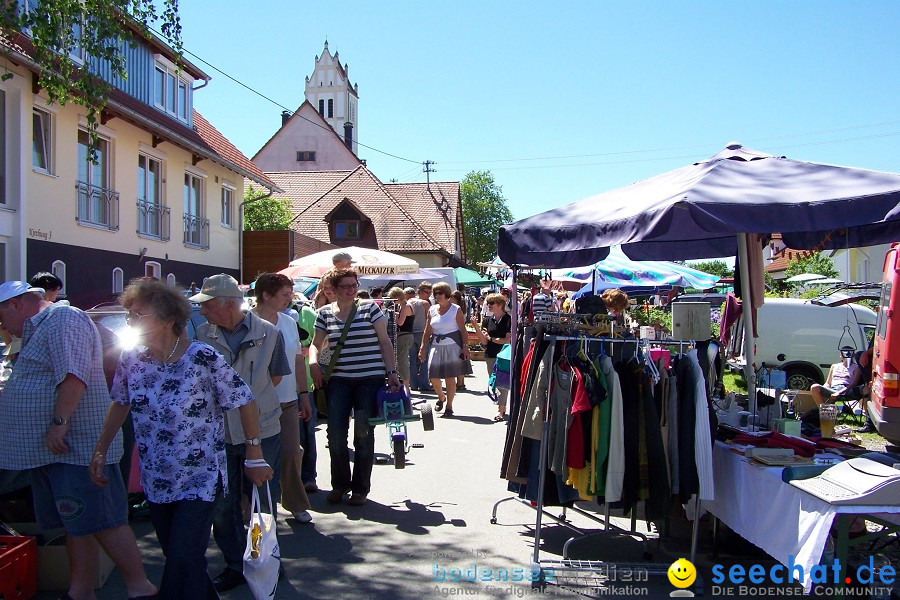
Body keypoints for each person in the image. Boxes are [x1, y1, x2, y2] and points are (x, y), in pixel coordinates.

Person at [89, 279, 272, 599]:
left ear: (168, 318)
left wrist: (254, 454)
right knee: (183, 560)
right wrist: (101, 451)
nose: (131, 321)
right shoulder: (132, 358)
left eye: (138, 314)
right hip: (157, 479)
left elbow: (244, 399)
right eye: (129, 315)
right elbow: (120, 402)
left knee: (181, 558)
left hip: (200, 479)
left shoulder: (202, 357)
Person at [0, 281, 158, 600]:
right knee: (77, 521)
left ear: (15, 304)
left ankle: (141, 588)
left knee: (104, 521)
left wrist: (60, 423)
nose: (1, 325)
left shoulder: (63, 319)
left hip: (77, 445)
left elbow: (74, 374)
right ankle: (80, 591)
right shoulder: (39, 327)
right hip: (55, 450)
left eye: (0, 316)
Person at [191, 274, 291, 593]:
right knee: (223, 504)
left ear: (228, 304)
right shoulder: (202, 334)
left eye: (207, 305)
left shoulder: (270, 331)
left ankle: (265, 559)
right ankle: (235, 564)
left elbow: (275, 375)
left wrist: (249, 402)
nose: (202, 311)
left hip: (263, 428)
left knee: (263, 500)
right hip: (218, 432)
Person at [310, 268, 401, 506]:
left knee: (363, 434)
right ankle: (340, 484)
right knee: (336, 435)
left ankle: (360, 488)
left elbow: (384, 341)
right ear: (333, 289)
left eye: (354, 285)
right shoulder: (324, 314)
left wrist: (391, 372)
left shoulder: (370, 308)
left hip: (369, 380)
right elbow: (315, 344)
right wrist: (312, 362)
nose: (351, 290)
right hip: (338, 380)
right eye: (345, 286)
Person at [252, 273, 314, 524]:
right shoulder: (248, 322)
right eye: (285, 295)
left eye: (290, 294)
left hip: (288, 400)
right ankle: (256, 509)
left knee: (291, 453)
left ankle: (295, 503)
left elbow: (299, 360)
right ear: (266, 295)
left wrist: (304, 395)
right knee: (259, 458)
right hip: (255, 404)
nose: (290, 299)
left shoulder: (288, 322)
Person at [418, 282, 471, 417]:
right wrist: (423, 347)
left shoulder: (456, 309)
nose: (437, 296)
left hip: (452, 345)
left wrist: (465, 346)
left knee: (450, 377)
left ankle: (449, 406)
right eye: (435, 294)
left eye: (440, 293)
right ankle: (441, 397)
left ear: (447, 294)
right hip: (436, 345)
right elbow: (427, 329)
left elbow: (463, 330)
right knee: (433, 376)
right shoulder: (432, 309)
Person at [472, 292, 512, 422]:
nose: (488, 305)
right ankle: (501, 405)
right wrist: (477, 328)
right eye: (487, 303)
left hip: (504, 356)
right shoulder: (487, 320)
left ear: (500, 305)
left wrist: (491, 338)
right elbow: (484, 342)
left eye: (491, 303)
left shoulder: (508, 320)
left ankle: (501, 411)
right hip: (490, 354)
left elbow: (506, 340)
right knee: (494, 381)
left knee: (501, 383)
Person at [388, 287, 414, 395]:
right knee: (401, 360)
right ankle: (405, 385)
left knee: (402, 361)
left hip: (404, 336)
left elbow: (400, 323)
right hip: (405, 336)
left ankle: (406, 387)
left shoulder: (405, 306)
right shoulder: (406, 306)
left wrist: (394, 316)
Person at [408, 282, 433, 392]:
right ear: (420, 291)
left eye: (430, 292)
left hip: (410, 333)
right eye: (426, 292)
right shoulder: (425, 303)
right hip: (422, 334)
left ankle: (413, 384)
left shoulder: (410, 301)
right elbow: (430, 320)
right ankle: (424, 384)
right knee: (424, 359)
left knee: (412, 360)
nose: (428, 295)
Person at [450, 290, 471, 391]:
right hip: (460, 334)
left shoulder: (456, 309)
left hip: (457, 335)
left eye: (451, 298)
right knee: (461, 359)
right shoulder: (462, 308)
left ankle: (460, 382)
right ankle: (461, 382)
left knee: (458, 360)